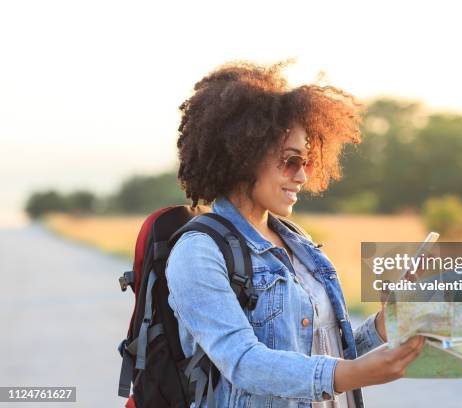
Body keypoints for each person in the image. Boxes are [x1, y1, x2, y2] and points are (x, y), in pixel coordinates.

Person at [166, 61, 425, 408]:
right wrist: (356, 374)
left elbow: (326, 349)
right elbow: (243, 362)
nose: (302, 176)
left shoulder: (299, 243)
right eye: (290, 161)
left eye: (308, 162)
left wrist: (384, 324)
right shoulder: (198, 252)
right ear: (243, 157)